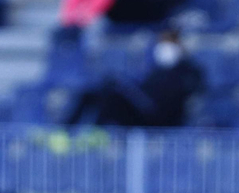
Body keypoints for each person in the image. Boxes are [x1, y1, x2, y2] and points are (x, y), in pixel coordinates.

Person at [68, 29, 205, 128]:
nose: (165, 48)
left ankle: (96, 133)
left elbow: (192, 91)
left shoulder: (188, 70)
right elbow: (144, 90)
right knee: (94, 93)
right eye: (163, 43)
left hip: (158, 117)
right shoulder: (157, 69)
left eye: (170, 44)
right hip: (141, 109)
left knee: (112, 95)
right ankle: (65, 132)